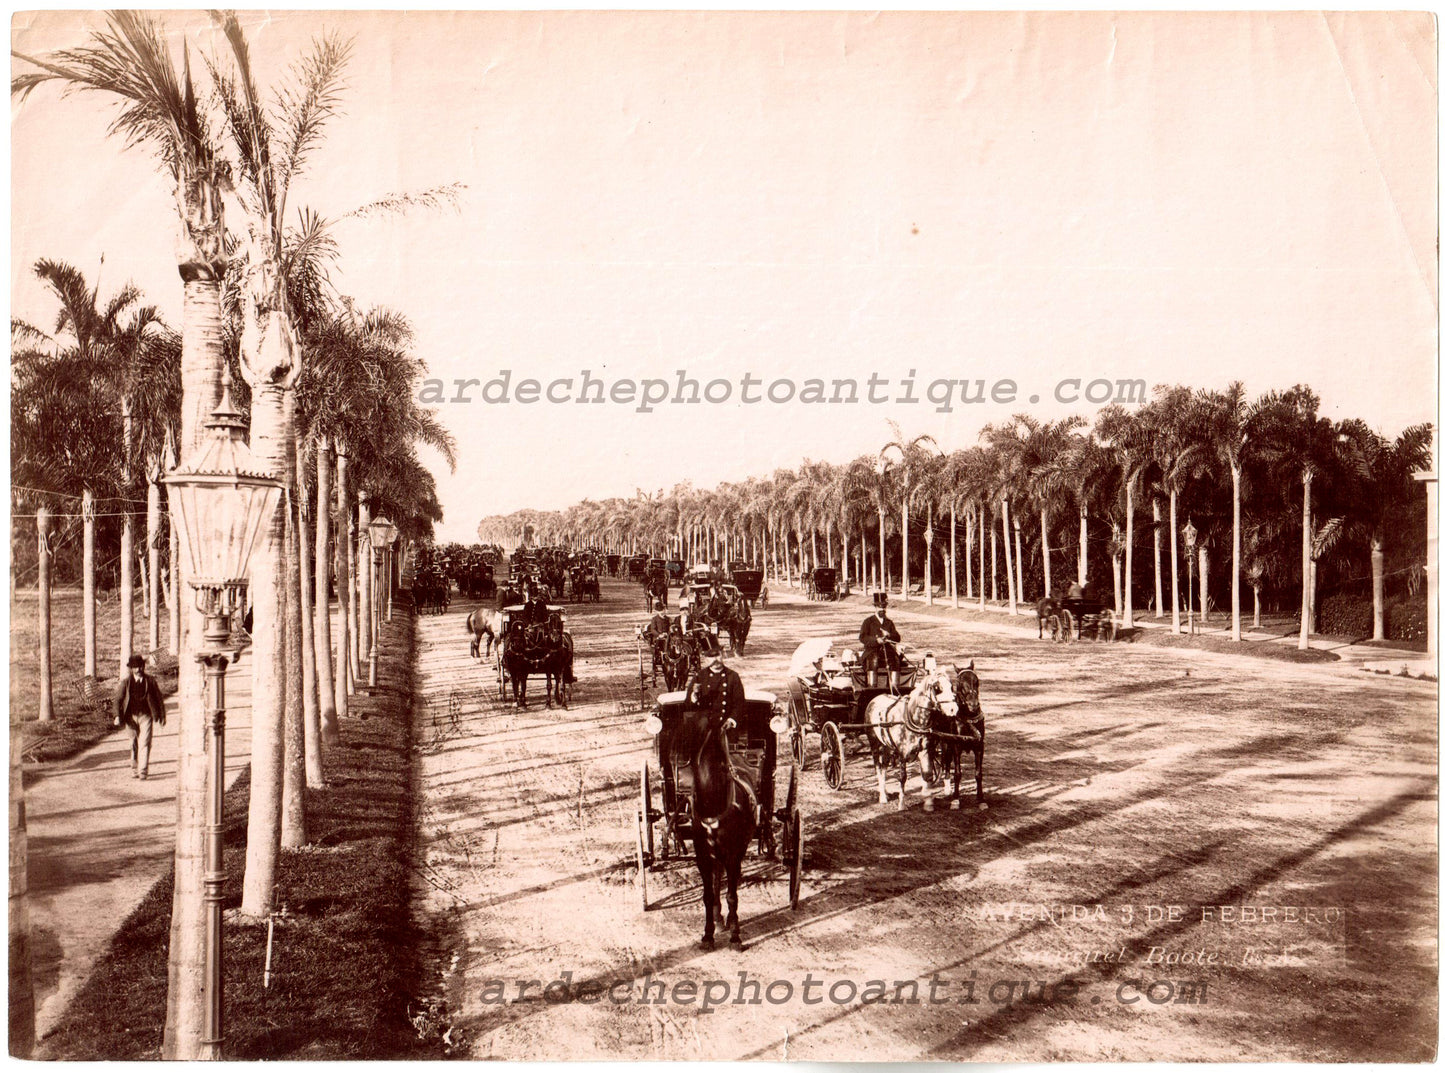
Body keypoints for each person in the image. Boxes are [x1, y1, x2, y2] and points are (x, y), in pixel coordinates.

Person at [112, 655, 165, 780]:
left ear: (144, 666)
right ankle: (134, 768)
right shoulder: (126, 682)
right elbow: (118, 700)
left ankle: (143, 771)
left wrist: (161, 715)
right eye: (135, 667)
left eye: (141, 666)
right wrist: (117, 716)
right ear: (131, 669)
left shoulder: (150, 681)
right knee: (133, 743)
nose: (139, 670)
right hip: (130, 717)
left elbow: (159, 699)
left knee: (145, 742)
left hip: (146, 716)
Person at [859, 592, 903, 693]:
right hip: (872, 651)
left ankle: (894, 689)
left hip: (887, 651)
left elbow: (897, 638)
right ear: (875, 607)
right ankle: (872, 689)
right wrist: (876, 640)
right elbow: (862, 637)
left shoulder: (889, 622)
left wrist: (889, 635)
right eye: (879, 607)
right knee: (873, 660)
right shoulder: (868, 621)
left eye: (884, 607)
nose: (882, 609)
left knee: (896, 660)